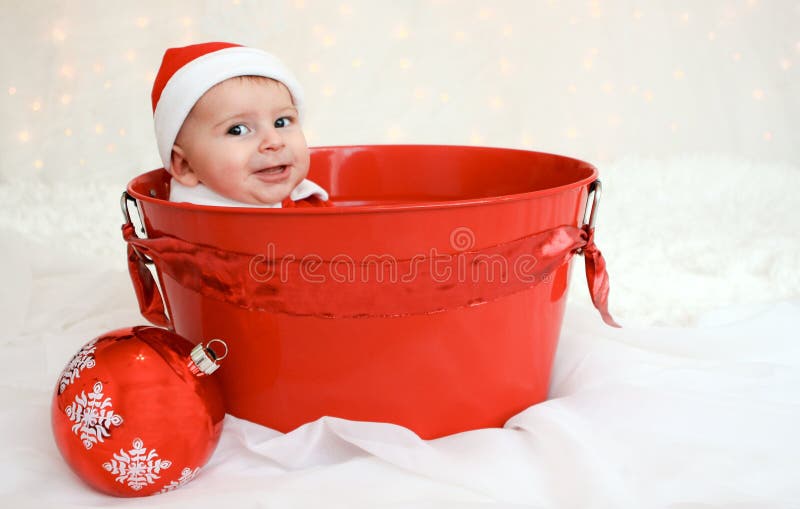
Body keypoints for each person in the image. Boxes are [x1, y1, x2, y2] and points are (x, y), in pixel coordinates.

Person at [150, 41, 329, 208]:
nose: (274, 141)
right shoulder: (181, 230)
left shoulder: (312, 207)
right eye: (238, 130)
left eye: (281, 122)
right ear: (186, 165)